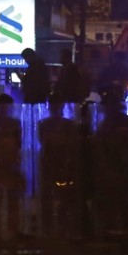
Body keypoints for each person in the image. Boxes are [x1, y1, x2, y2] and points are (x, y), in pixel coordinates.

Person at [92, 94, 128, 235]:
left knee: (120, 206)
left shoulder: (113, 125)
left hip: (121, 170)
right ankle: (117, 234)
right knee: (116, 207)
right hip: (115, 171)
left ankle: (119, 234)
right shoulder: (108, 125)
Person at [38, 94, 80, 239]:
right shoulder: (46, 124)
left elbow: (71, 145)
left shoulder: (64, 125)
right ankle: (52, 228)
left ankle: (60, 228)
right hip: (51, 163)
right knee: (51, 197)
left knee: (64, 197)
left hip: (61, 163)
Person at [0, 93, 24, 243]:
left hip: (8, 162)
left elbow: (18, 143)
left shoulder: (9, 123)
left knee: (10, 199)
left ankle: (9, 231)